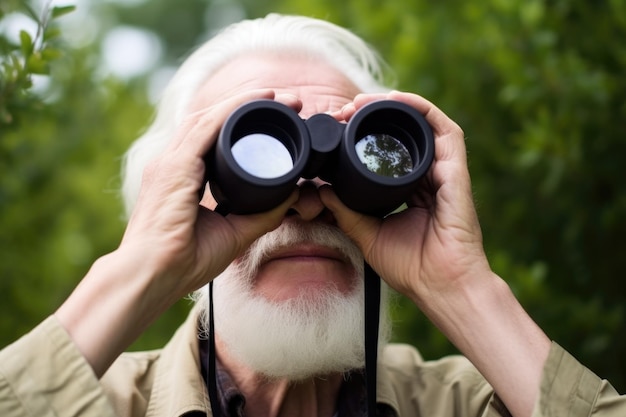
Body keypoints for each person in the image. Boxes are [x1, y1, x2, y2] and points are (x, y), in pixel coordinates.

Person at [0, 13, 623, 417]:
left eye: (357, 153)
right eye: (252, 154)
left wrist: (464, 290)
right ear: (175, 195)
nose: (305, 200)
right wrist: (139, 271)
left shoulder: (465, 403)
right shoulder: (96, 403)